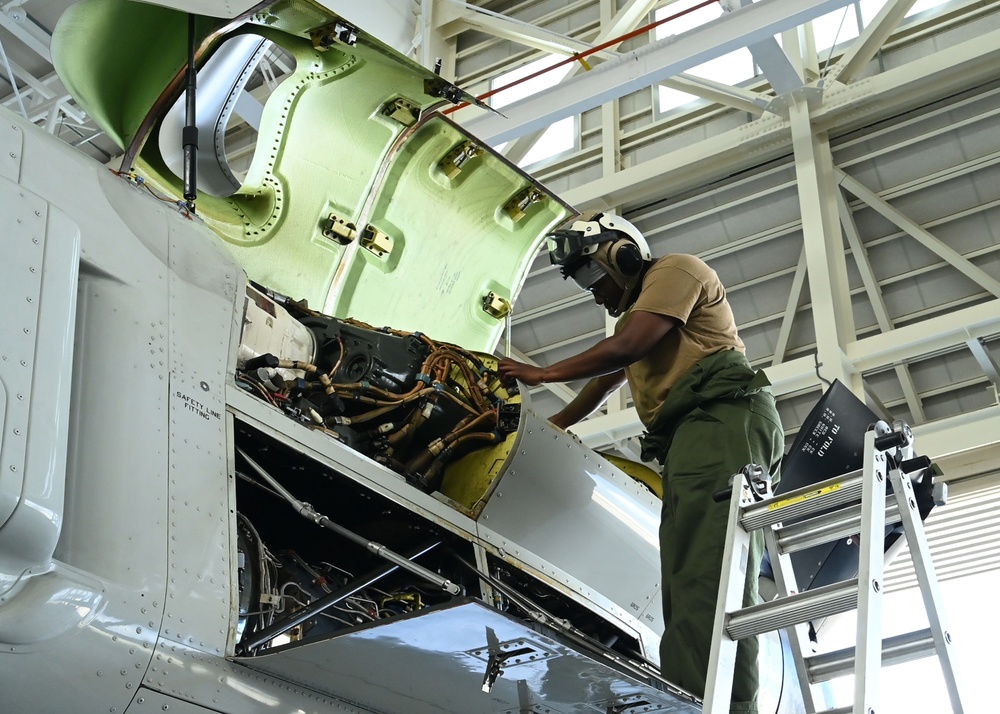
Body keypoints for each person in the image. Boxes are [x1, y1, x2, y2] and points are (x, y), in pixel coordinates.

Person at [498, 212, 784, 714]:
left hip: (720, 421)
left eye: (591, 274)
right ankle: (720, 703)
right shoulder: (638, 318)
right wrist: (556, 425)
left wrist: (540, 374)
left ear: (621, 255)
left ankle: (702, 705)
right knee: (688, 581)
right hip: (690, 441)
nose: (593, 291)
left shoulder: (676, 271)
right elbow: (606, 377)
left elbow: (626, 349)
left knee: (704, 578)